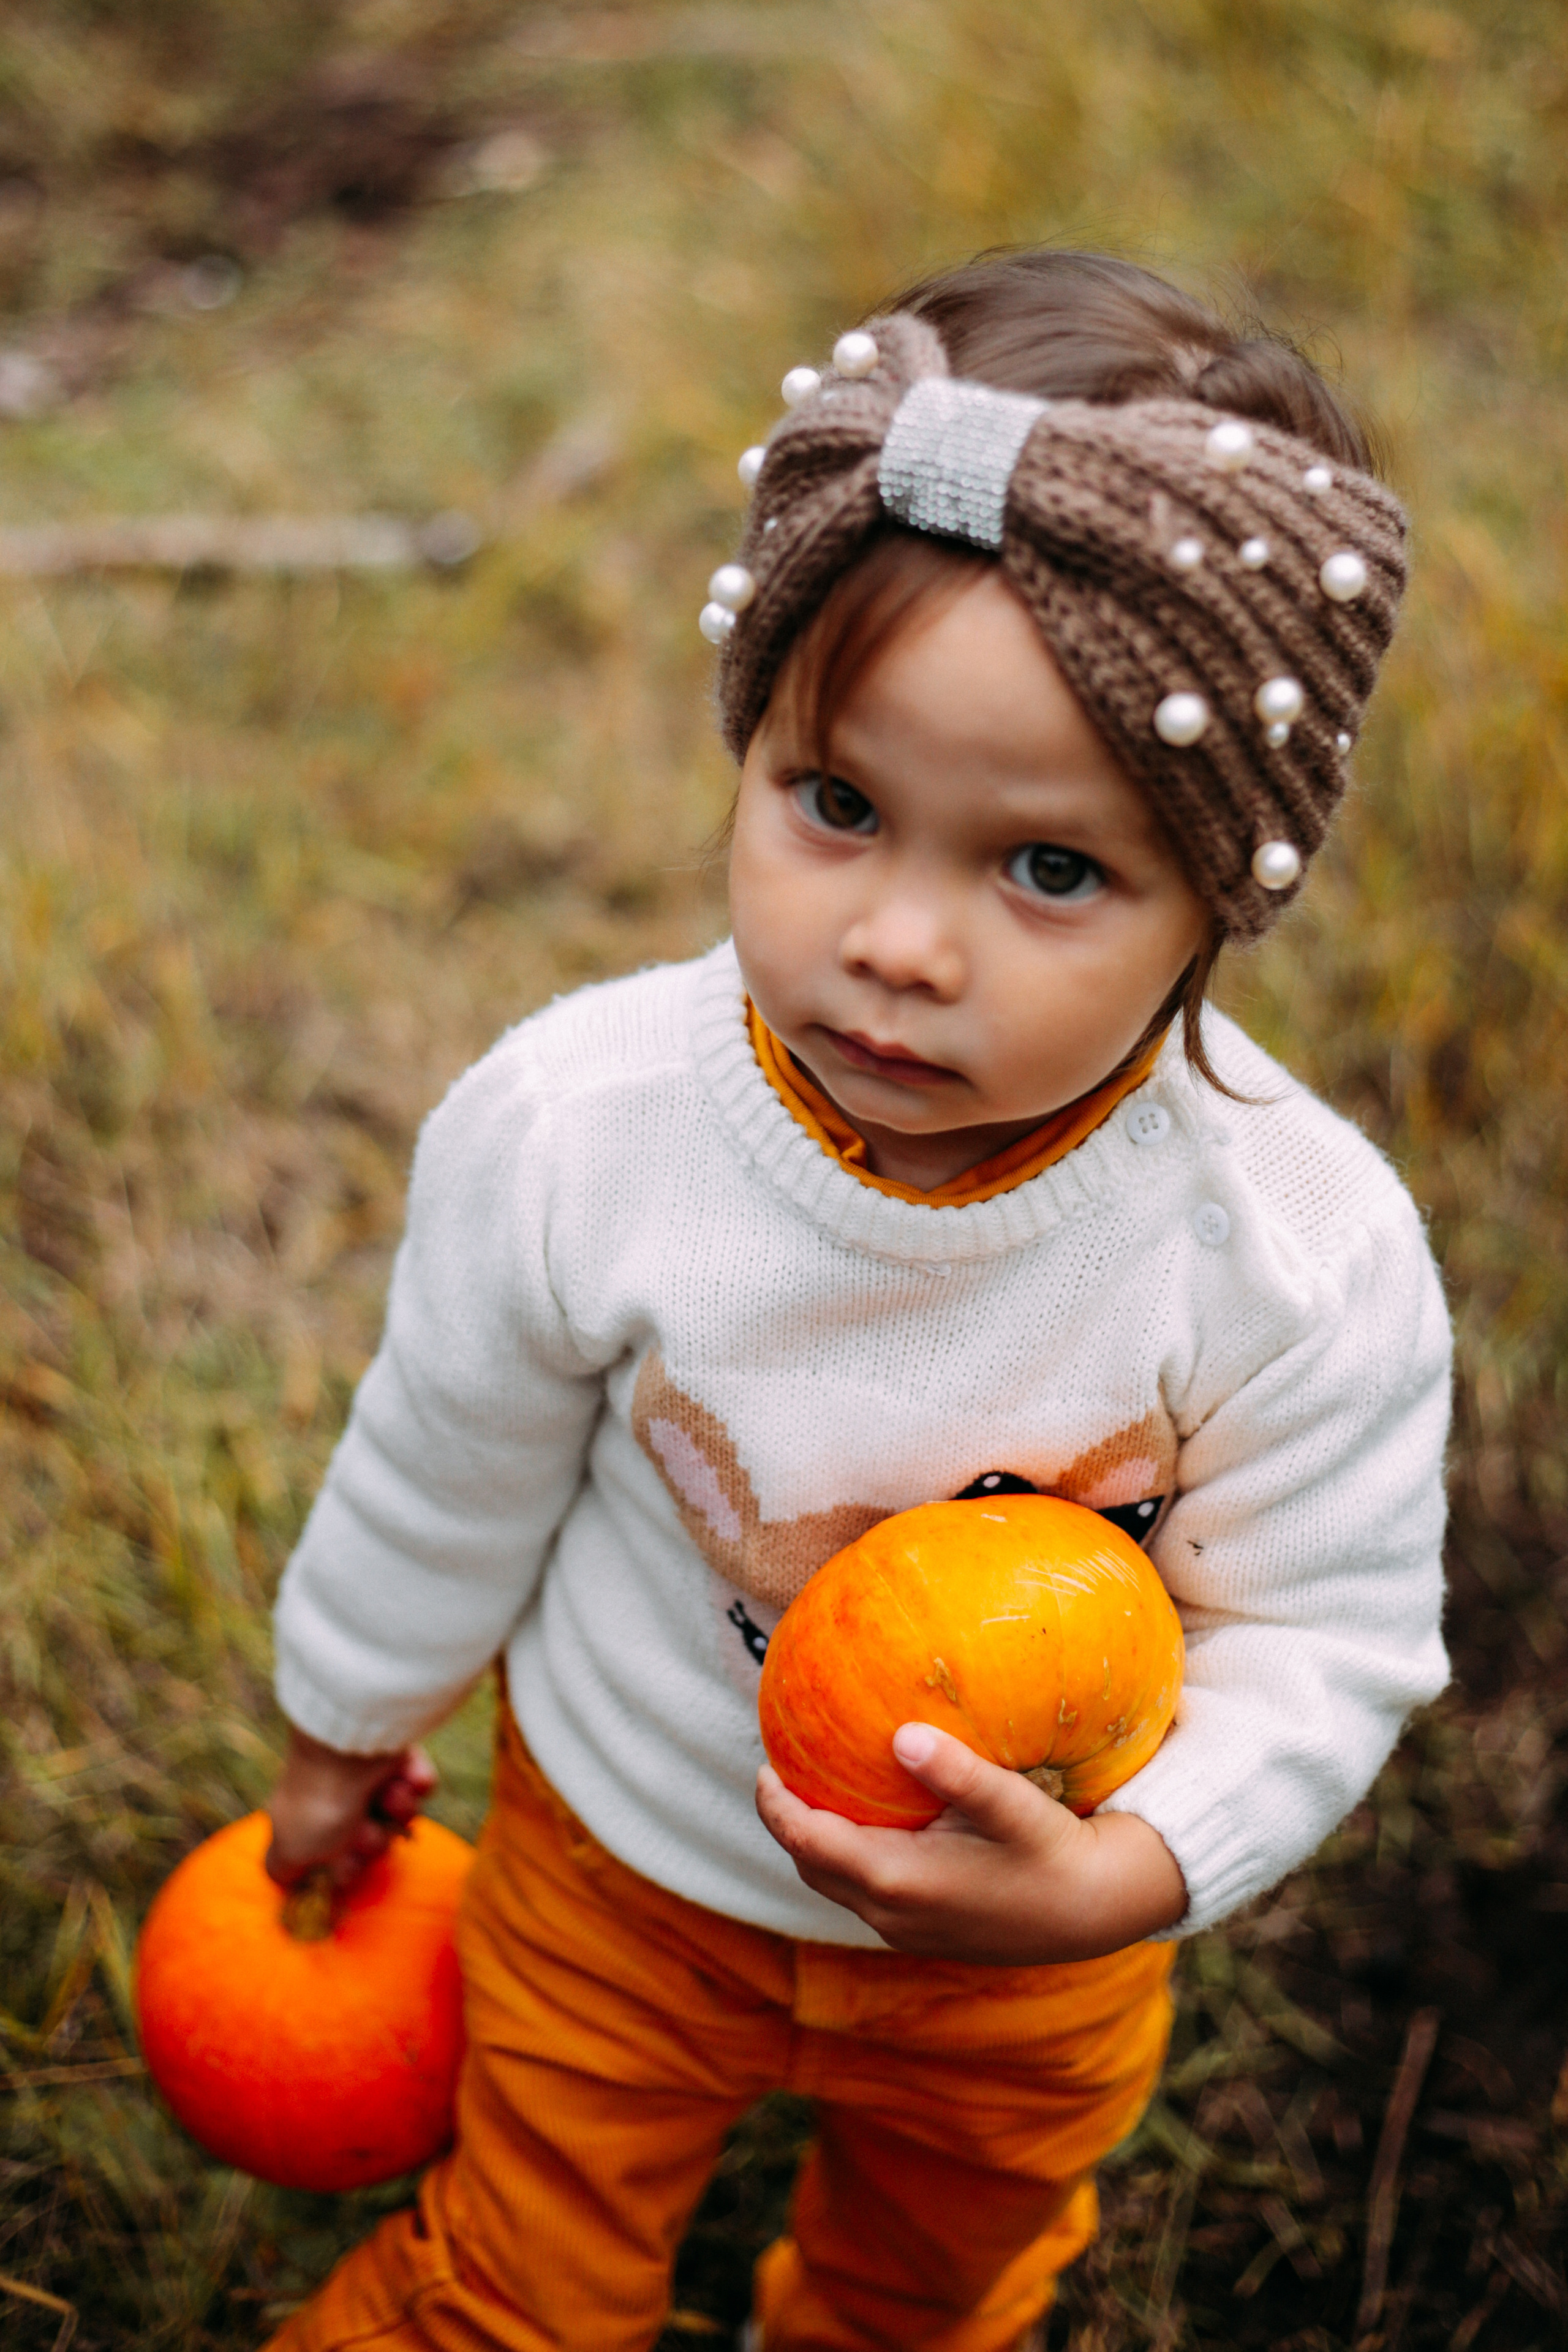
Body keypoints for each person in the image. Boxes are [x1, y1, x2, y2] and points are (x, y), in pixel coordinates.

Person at [260, 250, 1450, 2352]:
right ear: (754, 748)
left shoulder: (1289, 1254)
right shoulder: (582, 1130)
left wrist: (1135, 1868)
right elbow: (447, 1460)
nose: (900, 943)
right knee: (516, 2280)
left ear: (1218, 901)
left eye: (1049, 870)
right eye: (839, 806)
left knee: (936, 2290)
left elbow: (1326, 1636)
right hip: (623, 1870)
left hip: (1030, 1951)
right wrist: (345, 1728)